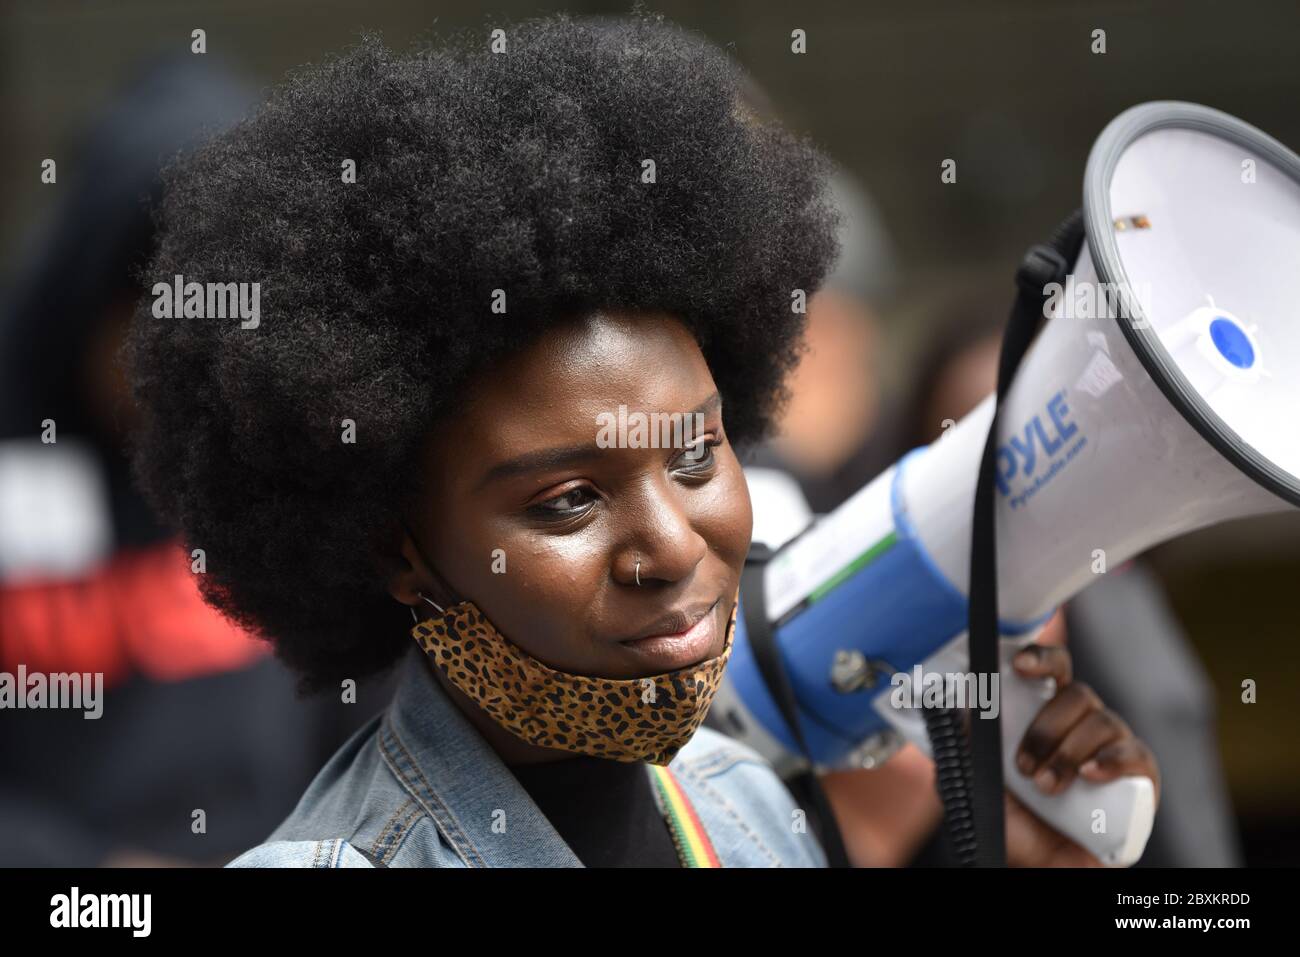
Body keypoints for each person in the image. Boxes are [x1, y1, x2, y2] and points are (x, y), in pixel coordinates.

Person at [124, 13, 1158, 868]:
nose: (671, 545)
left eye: (697, 455)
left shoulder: (746, 807)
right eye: (567, 499)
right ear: (398, 546)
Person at [0, 56, 391, 867]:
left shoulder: (317, 466)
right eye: (156, 317)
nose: (190, 364)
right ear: (89, 299)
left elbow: (384, 739)